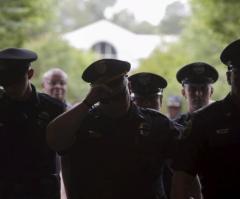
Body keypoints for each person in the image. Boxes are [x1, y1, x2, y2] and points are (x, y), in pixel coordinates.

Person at [47, 59, 181, 199]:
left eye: (118, 88)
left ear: (128, 86)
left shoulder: (156, 123)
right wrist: (87, 102)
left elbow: (184, 169)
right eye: (103, 90)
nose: (111, 92)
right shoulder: (82, 123)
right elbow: (54, 140)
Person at [171, 39, 240, 199]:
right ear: (229, 77)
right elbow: (181, 180)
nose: (198, 94)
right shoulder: (205, 121)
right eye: (239, 73)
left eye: (203, 89)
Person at [0, 48, 65, 198]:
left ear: (29, 74)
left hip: (41, 191)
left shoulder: (53, 108)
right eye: (5, 83)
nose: (10, 88)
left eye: (15, 82)